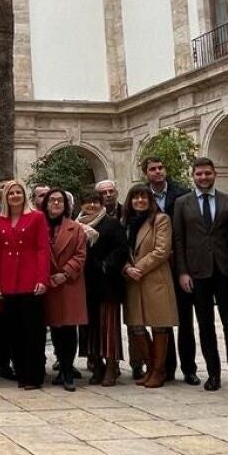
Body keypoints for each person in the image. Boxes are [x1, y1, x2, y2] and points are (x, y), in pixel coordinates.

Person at [173, 158, 228, 393]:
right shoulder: (182, 203)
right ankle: (213, 374)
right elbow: (179, 239)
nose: (203, 177)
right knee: (205, 325)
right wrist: (183, 272)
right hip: (197, 272)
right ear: (193, 176)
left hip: (225, 271)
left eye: (207, 173)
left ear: (214, 174)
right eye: (199, 174)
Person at [0, 180, 50, 390]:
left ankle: (34, 375)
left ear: (24, 196)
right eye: (11, 193)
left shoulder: (37, 217)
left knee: (33, 331)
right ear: (5, 197)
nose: (15, 196)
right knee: (14, 330)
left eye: (18, 192)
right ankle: (21, 372)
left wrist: (42, 278)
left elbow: (43, 249)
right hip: (8, 280)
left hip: (30, 278)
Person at [121, 183, 176, 389]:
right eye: (135, 197)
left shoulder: (161, 220)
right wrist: (127, 268)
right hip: (132, 281)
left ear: (150, 200)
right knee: (136, 326)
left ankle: (159, 371)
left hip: (155, 279)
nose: (140, 201)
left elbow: (162, 250)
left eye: (144, 197)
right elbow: (120, 250)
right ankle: (151, 367)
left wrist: (138, 268)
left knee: (159, 325)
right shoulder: (125, 223)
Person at [142, 156, 190, 384]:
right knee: (161, 319)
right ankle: (166, 368)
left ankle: (189, 369)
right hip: (156, 268)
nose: (158, 171)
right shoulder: (142, 196)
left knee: (185, 319)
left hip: (179, 262)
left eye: (161, 167)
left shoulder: (182, 194)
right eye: (153, 169)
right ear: (146, 173)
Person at [76, 191, 128, 387]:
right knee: (89, 328)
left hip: (107, 284)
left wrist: (106, 265)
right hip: (85, 285)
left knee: (108, 328)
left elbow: (121, 249)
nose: (91, 206)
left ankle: (111, 367)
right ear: (81, 205)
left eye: (95, 202)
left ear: (101, 204)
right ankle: (96, 365)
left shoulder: (111, 224)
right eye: (87, 202)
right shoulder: (76, 225)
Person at [42, 188, 88, 392]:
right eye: (52, 200)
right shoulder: (39, 226)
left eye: (60, 200)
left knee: (69, 328)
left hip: (69, 284)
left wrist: (65, 273)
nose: (56, 203)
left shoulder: (75, 228)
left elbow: (80, 254)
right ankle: (61, 366)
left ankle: (68, 370)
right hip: (49, 283)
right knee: (55, 328)